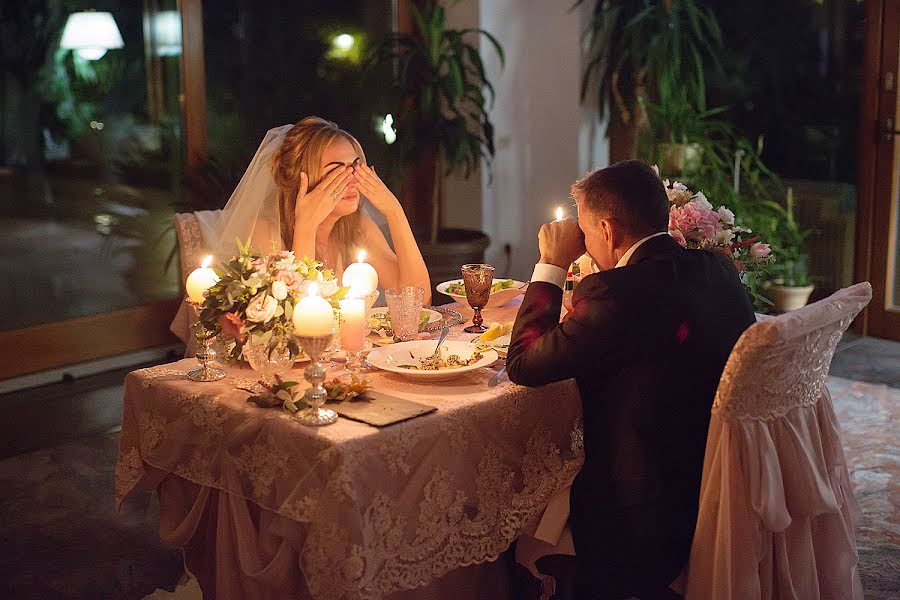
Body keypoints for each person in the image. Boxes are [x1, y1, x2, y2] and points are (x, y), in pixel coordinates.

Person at [506, 160, 756, 599]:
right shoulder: (717, 272)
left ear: (606, 229)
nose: (581, 245)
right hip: (711, 481)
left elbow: (523, 363)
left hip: (633, 516)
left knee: (508, 509)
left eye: (583, 233)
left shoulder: (613, 295)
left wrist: (550, 262)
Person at [212, 116, 431, 300]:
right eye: (337, 171)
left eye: (355, 167)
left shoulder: (357, 226)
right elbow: (294, 325)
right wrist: (306, 227)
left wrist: (395, 211)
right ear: (302, 180)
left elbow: (418, 301)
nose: (353, 180)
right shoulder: (265, 231)